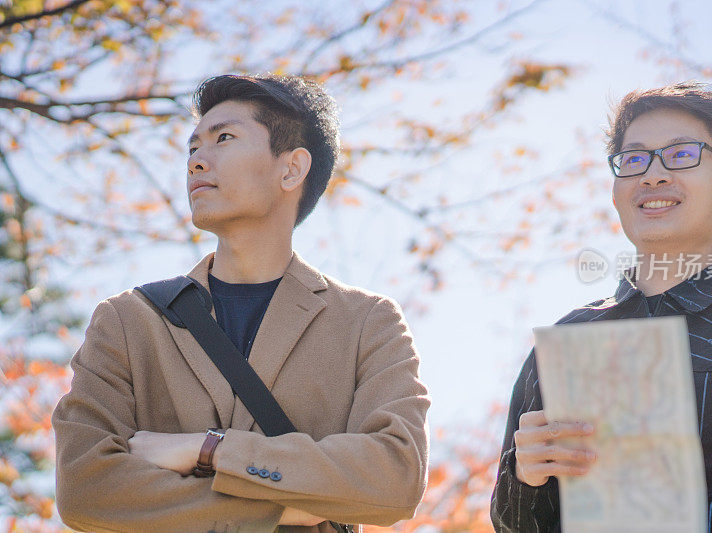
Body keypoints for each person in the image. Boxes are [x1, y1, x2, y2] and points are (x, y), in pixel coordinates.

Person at [53, 74, 430, 532]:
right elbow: (84, 489)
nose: (196, 162)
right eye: (192, 148)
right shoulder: (129, 319)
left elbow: (396, 477)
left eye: (224, 138)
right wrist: (293, 506)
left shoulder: (367, 320)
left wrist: (208, 449)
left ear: (290, 169)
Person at [491, 82, 712, 532]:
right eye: (634, 160)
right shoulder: (566, 340)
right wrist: (526, 476)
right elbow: (512, 526)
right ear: (616, 190)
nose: (653, 175)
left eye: (682, 154)